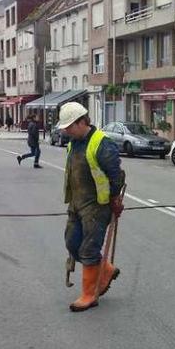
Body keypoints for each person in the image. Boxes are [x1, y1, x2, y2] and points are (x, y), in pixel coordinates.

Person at [57, 102, 125, 312]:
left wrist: (115, 200)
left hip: (97, 206)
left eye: (70, 126)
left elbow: (116, 175)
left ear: (82, 121)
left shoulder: (101, 143)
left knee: (89, 249)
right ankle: (105, 269)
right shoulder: (73, 143)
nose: (66, 131)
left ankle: (89, 294)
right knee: (72, 242)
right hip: (77, 204)